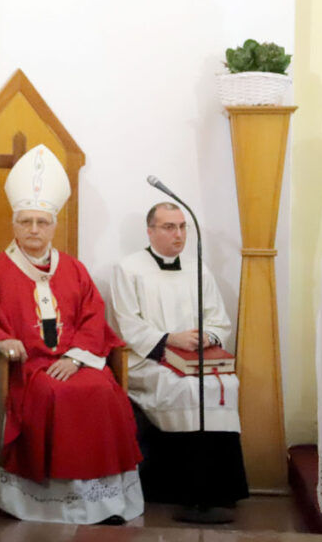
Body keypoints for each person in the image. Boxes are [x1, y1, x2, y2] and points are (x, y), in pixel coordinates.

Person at [0, 144, 143, 525]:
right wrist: (2, 340)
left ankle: (102, 503)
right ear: (14, 224)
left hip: (77, 362)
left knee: (104, 390)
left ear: (54, 226)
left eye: (42, 222)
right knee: (54, 394)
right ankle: (56, 504)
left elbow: (93, 317)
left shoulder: (73, 269)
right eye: (26, 221)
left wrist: (76, 358)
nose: (34, 230)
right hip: (30, 368)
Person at [109, 202, 249, 509]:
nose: (179, 234)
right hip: (148, 359)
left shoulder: (198, 268)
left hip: (195, 357)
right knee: (185, 388)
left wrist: (206, 337)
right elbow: (127, 324)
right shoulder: (128, 269)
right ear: (150, 232)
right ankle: (188, 491)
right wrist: (171, 339)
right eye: (169, 227)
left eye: (183, 227)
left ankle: (222, 491)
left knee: (224, 385)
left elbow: (218, 319)